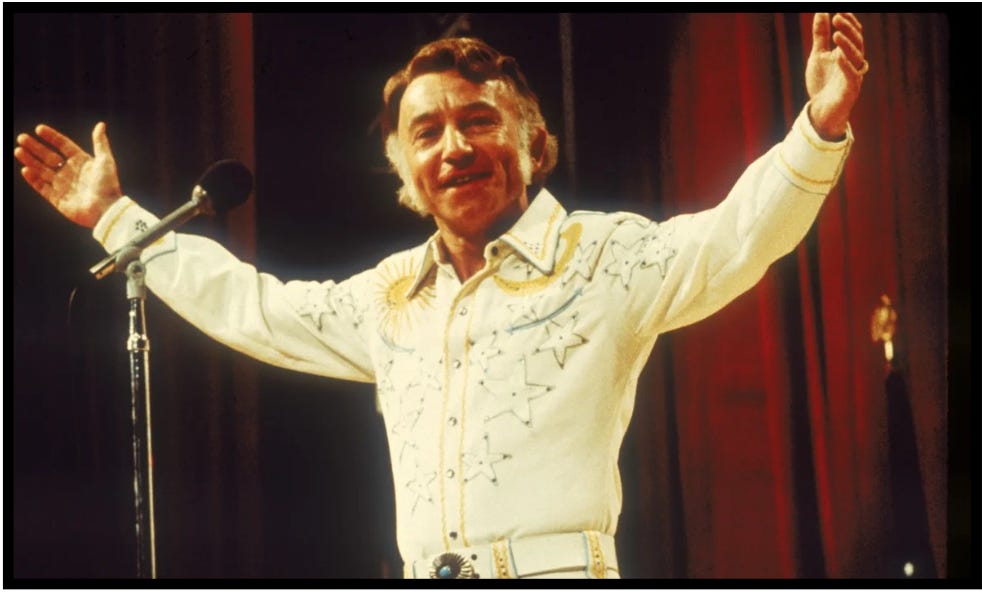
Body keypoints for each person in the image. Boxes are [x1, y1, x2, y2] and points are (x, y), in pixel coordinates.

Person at [14, 13, 867, 579]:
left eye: (478, 121)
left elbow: (736, 236)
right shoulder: (390, 297)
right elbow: (253, 306)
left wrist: (818, 126)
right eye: (427, 133)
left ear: (532, 143)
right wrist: (115, 217)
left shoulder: (604, 257)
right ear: (405, 171)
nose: (454, 147)